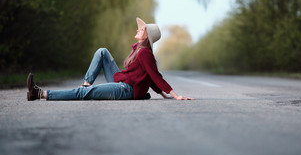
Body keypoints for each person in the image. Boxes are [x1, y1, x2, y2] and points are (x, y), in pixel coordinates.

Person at [26, 18, 194, 101]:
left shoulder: (144, 53)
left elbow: (154, 75)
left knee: (83, 94)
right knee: (102, 52)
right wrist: (162, 94)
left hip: (125, 89)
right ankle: (86, 83)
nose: (138, 29)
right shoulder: (139, 51)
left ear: (146, 36)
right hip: (122, 81)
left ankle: (39, 94)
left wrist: (174, 94)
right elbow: (148, 77)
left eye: (141, 29)